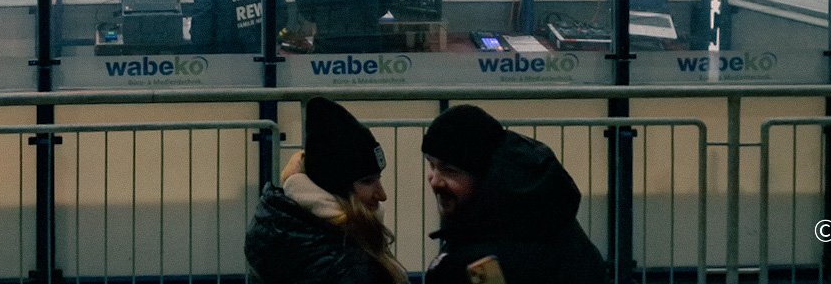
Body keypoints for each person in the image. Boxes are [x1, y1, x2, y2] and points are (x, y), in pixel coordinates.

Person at [421, 105, 607, 284]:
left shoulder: (474, 262)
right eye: (431, 165)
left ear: (485, 175)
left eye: (450, 170)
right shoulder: (546, 217)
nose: (435, 181)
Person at [245, 97, 407, 284]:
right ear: (333, 188)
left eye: (378, 178)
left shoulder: (280, 229)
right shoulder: (347, 265)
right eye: (367, 181)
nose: (382, 195)